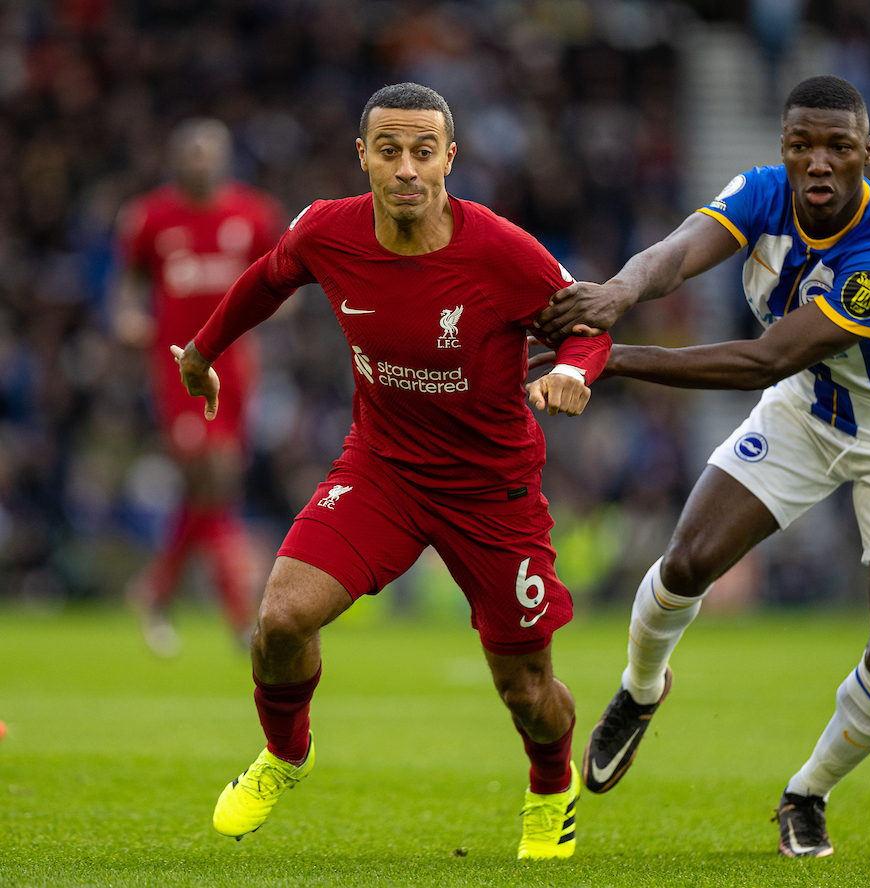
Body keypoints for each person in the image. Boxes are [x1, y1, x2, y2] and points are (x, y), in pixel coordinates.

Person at [532, 76, 870, 858]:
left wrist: (614, 358)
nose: (819, 162)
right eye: (803, 144)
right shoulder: (763, 195)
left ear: (868, 153)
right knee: (688, 560)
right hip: (813, 408)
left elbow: (765, 360)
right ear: (784, 149)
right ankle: (639, 692)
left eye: (838, 146)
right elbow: (674, 255)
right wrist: (618, 293)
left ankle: (808, 792)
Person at [173, 83, 610, 860]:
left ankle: (550, 787)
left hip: (492, 492)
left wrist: (575, 370)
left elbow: (585, 323)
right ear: (364, 157)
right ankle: (286, 753)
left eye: (421, 151)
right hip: (383, 472)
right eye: (389, 151)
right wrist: (204, 355)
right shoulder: (326, 231)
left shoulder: (502, 250)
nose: (406, 169)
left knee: (528, 692)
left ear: (449, 157)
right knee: (279, 619)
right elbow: (266, 280)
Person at [114, 118, 284, 656]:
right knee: (215, 476)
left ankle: (157, 592)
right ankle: (238, 616)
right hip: (180, 365)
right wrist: (127, 315)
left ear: (225, 157)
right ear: (176, 157)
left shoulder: (254, 214)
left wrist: (280, 307)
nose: (199, 161)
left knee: (205, 491)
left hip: (237, 370)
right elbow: (129, 284)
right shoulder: (150, 217)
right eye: (190, 152)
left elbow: (285, 276)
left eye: (208, 152)